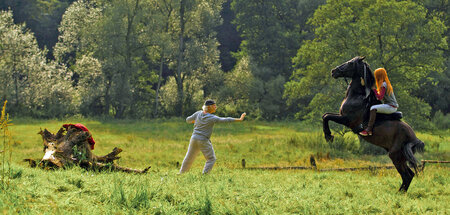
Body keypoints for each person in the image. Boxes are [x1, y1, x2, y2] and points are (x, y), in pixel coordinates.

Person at [179, 99, 246, 174]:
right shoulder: (212, 118)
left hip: (194, 139)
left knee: (189, 158)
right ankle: (205, 175)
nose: (216, 107)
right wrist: (239, 119)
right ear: (209, 107)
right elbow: (225, 119)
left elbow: (188, 120)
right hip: (203, 140)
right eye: (214, 106)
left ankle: (181, 173)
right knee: (211, 159)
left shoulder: (198, 113)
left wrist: (197, 121)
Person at [359, 68, 398, 136]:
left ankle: (369, 129)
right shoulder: (385, 84)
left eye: (376, 75)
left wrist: (374, 90)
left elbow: (380, 97)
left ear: (379, 75)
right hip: (391, 106)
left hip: (391, 106)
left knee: (373, 108)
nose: (375, 77)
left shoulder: (383, 85)